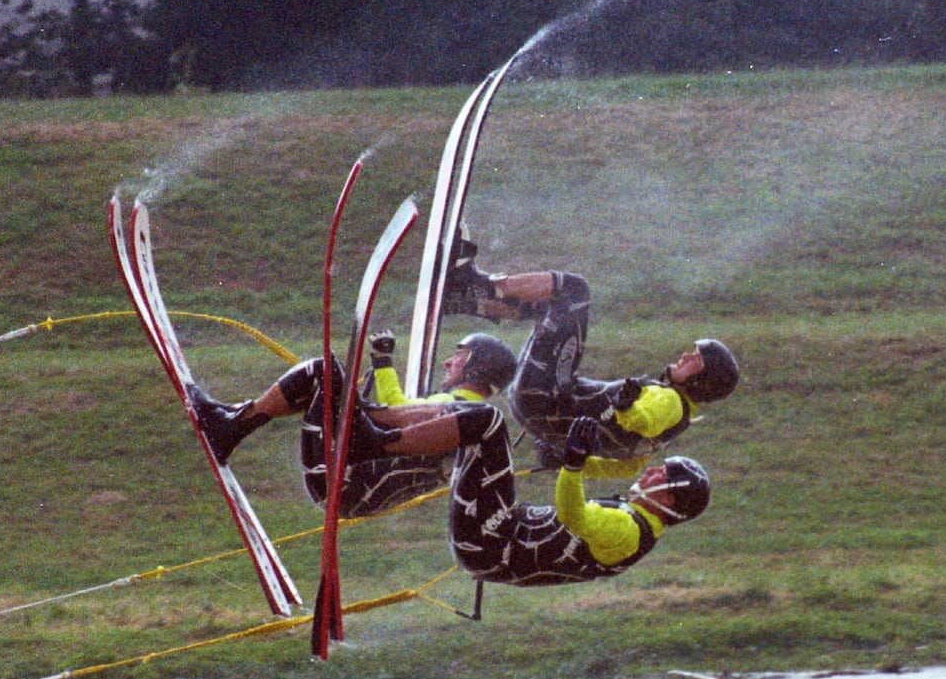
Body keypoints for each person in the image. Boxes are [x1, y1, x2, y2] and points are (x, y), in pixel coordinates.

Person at [443, 240, 738, 476]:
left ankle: (472, 286)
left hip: (546, 397)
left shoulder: (670, 403)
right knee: (551, 311)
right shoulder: (671, 429)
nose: (686, 356)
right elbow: (626, 467)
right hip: (538, 414)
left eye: (696, 360)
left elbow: (642, 420)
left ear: (702, 383)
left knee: (574, 290)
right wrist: (568, 457)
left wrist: (625, 407)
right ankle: (468, 301)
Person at [347, 403, 709, 586]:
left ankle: (370, 443)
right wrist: (561, 456)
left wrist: (572, 465)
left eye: (663, 474)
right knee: (468, 416)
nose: (652, 471)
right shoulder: (633, 520)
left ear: (670, 500)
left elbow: (573, 515)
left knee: (486, 422)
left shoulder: (627, 531)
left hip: (491, 540)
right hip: (494, 538)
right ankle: (374, 418)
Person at [186, 331, 518, 518]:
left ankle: (232, 427)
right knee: (329, 385)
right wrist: (358, 399)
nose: (449, 361)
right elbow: (397, 415)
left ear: (478, 366)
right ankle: (232, 422)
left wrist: (372, 379)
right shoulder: (465, 417)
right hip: (355, 492)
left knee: (325, 372)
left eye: (459, 355)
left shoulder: (456, 409)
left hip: (348, 477)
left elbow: (396, 411)